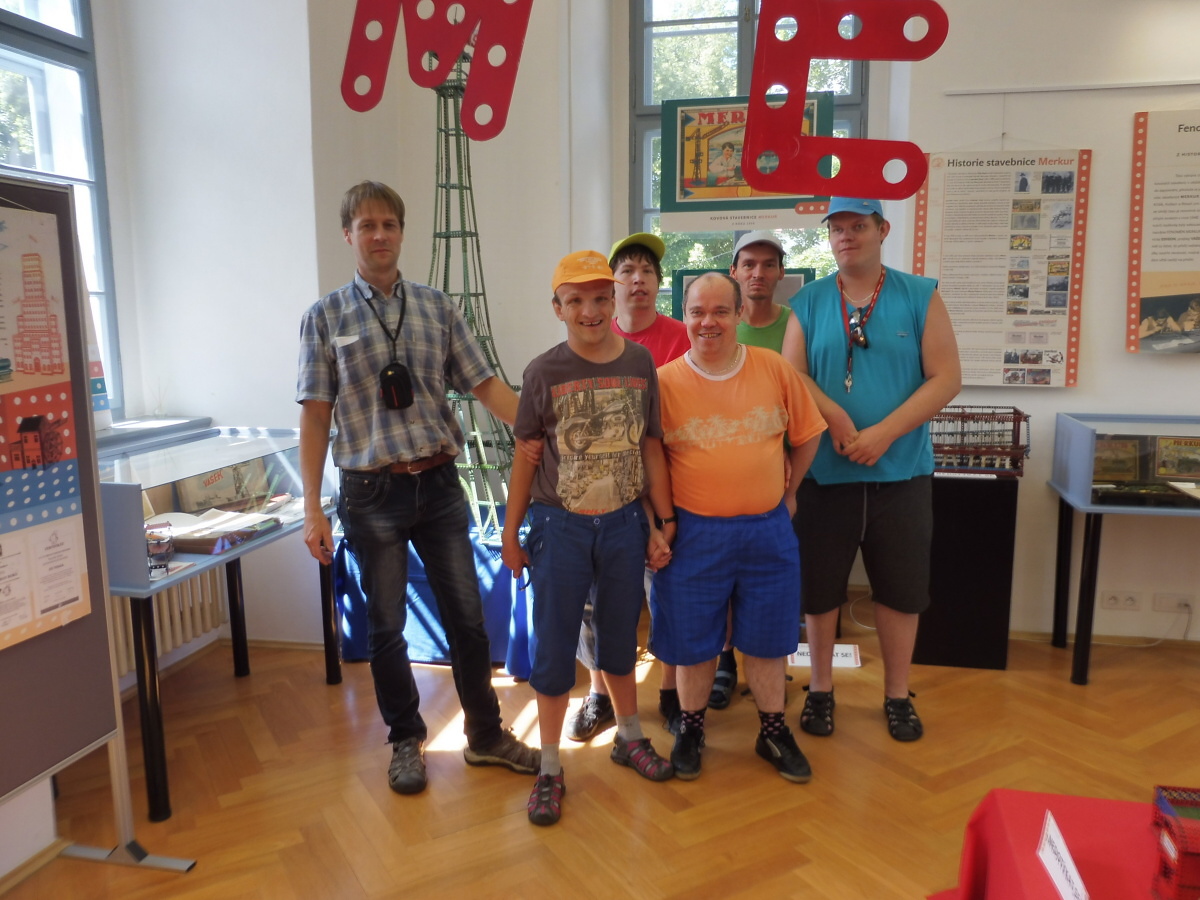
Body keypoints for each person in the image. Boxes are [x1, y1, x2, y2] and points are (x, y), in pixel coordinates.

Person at [296, 181, 539, 797]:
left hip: (438, 484)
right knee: (386, 628)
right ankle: (406, 739)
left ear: (402, 233)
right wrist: (311, 508)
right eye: (367, 225)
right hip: (369, 493)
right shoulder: (324, 317)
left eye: (389, 224)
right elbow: (316, 416)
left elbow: (486, 386)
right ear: (348, 234)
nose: (379, 235)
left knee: (467, 619)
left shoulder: (438, 308)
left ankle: (485, 734)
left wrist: (542, 429)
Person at [502, 250, 677, 827]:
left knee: (621, 636)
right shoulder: (543, 372)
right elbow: (526, 456)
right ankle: (550, 766)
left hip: (624, 523)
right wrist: (510, 531)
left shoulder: (640, 363)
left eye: (601, 297)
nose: (590, 310)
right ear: (558, 308)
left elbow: (649, 445)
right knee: (555, 644)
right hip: (560, 527)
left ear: (614, 300)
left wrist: (662, 520)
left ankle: (628, 736)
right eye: (575, 300)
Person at [781, 197, 962, 743]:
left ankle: (897, 695)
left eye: (858, 226)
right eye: (836, 228)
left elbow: (946, 377)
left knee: (901, 592)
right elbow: (793, 376)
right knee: (819, 592)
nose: (846, 236)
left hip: (901, 474)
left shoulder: (919, 295)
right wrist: (835, 417)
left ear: (882, 230)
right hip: (823, 476)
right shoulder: (808, 301)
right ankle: (820, 688)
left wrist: (885, 433)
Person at [651, 272, 827, 782]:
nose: (708, 322)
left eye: (720, 312)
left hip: (767, 530)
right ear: (684, 316)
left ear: (739, 314)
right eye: (697, 312)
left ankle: (772, 731)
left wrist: (789, 494)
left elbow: (809, 433)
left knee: (770, 638)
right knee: (692, 641)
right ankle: (691, 729)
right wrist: (658, 523)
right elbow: (648, 460)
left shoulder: (773, 368)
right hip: (693, 534)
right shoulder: (663, 383)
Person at [567, 233, 690, 743]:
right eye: (627, 271)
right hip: (606, 498)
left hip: (666, 491)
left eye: (647, 271)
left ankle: (670, 692)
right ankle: (599, 695)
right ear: (612, 286)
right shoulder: (592, 337)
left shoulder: (682, 337)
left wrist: (664, 514)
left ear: (658, 283)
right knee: (595, 603)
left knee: (667, 595)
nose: (638, 280)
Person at [698, 229, 794, 711]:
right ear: (734, 271)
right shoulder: (708, 335)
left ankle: (767, 683)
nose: (759, 273)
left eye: (768, 264)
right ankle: (725, 664)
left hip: (774, 488)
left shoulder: (793, 326)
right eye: (749, 264)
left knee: (765, 595)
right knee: (719, 590)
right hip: (714, 500)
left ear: (780, 271)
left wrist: (789, 485)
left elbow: (800, 401)